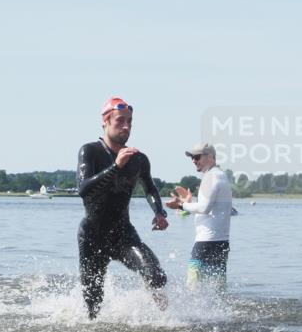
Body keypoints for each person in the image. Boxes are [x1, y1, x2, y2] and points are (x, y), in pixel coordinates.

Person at [76, 97, 169, 319]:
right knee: (93, 307)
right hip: (92, 236)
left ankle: (164, 320)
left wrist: (159, 212)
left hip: (123, 234)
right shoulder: (89, 151)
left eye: (130, 121)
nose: (126, 126)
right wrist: (115, 167)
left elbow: (150, 188)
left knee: (156, 276)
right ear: (105, 122)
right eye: (120, 121)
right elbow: (84, 189)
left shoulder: (139, 159)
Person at [165, 142, 233, 289]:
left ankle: (189, 311)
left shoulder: (211, 177)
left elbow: (204, 208)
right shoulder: (221, 176)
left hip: (206, 242)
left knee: (192, 285)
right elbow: (217, 208)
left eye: (197, 157)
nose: (194, 161)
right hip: (222, 242)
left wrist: (181, 205)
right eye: (192, 158)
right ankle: (221, 312)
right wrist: (189, 202)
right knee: (218, 288)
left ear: (210, 158)